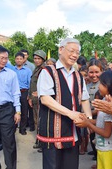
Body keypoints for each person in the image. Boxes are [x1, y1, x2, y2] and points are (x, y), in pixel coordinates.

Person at [36, 38, 92, 169]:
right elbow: (45, 99)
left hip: (73, 132)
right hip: (53, 131)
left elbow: (84, 98)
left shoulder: (78, 75)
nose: (74, 55)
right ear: (61, 50)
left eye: (77, 52)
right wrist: (70, 113)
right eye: (71, 51)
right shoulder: (48, 71)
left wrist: (88, 120)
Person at [76, 70, 112, 169]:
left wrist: (88, 124)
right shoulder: (104, 100)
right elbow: (101, 123)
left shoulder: (110, 106)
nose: (98, 86)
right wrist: (86, 120)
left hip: (109, 150)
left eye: (101, 84)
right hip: (103, 148)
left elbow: (106, 133)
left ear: (108, 86)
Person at [29, 49, 46, 151]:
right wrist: (30, 97)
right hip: (34, 99)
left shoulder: (43, 70)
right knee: (36, 121)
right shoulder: (36, 69)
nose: (36, 60)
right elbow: (32, 84)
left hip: (40, 99)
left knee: (40, 122)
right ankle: (39, 140)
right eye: (35, 58)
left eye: (39, 58)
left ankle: (42, 142)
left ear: (43, 59)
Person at [87, 59, 104, 161]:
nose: (94, 75)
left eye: (97, 72)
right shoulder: (87, 85)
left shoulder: (104, 85)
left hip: (99, 117)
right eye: (91, 72)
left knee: (99, 140)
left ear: (102, 71)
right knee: (92, 137)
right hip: (89, 115)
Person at [14, 51, 32, 135]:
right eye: (17, 59)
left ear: (23, 60)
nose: (19, 60)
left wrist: (29, 94)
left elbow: (30, 83)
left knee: (24, 111)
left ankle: (22, 128)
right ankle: (13, 128)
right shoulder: (11, 70)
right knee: (13, 111)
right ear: (15, 60)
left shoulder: (28, 71)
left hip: (24, 92)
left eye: (21, 59)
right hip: (13, 93)